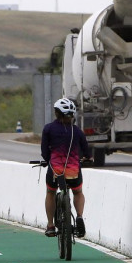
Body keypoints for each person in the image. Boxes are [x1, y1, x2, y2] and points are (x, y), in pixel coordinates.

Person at [41, 97, 91, 238]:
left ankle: (50, 225)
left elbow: (45, 153)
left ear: (56, 113)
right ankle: (79, 216)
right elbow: (87, 152)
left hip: (55, 171)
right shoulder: (78, 132)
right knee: (78, 192)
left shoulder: (48, 129)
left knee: (50, 193)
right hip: (73, 171)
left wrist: (47, 160)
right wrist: (88, 158)